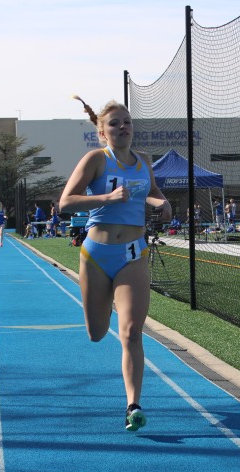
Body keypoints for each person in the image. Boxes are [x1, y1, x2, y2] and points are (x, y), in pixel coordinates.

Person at [61, 95, 171, 432]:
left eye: (127, 122)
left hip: (133, 254)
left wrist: (162, 202)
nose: (123, 127)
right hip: (97, 254)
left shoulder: (144, 161)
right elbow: (65, 203)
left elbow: (150, 191)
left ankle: (133, 405)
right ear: (102, 132)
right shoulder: (96, 160)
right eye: (114, 124)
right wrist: (106, 198)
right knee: (97, 333)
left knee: (131, 332)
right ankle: (105, 300)